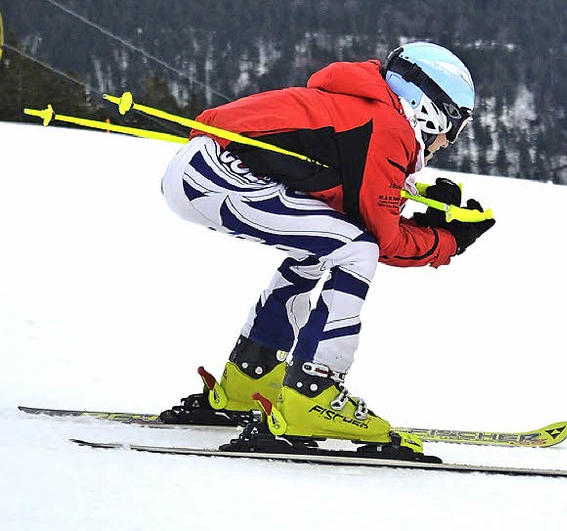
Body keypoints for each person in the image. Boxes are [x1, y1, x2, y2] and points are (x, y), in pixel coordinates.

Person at [160, 41, 495, 448]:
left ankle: (252, 377)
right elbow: (382, 239)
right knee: (358, 251)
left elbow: (349, 194)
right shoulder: (388, 126)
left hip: (201, 169)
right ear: (429, 109)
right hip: (216, 176)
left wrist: (413, 201)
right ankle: (312, 394)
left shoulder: (364, 108)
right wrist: (447, 241)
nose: (447, 142)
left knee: (327, 246)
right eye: (453, 128)